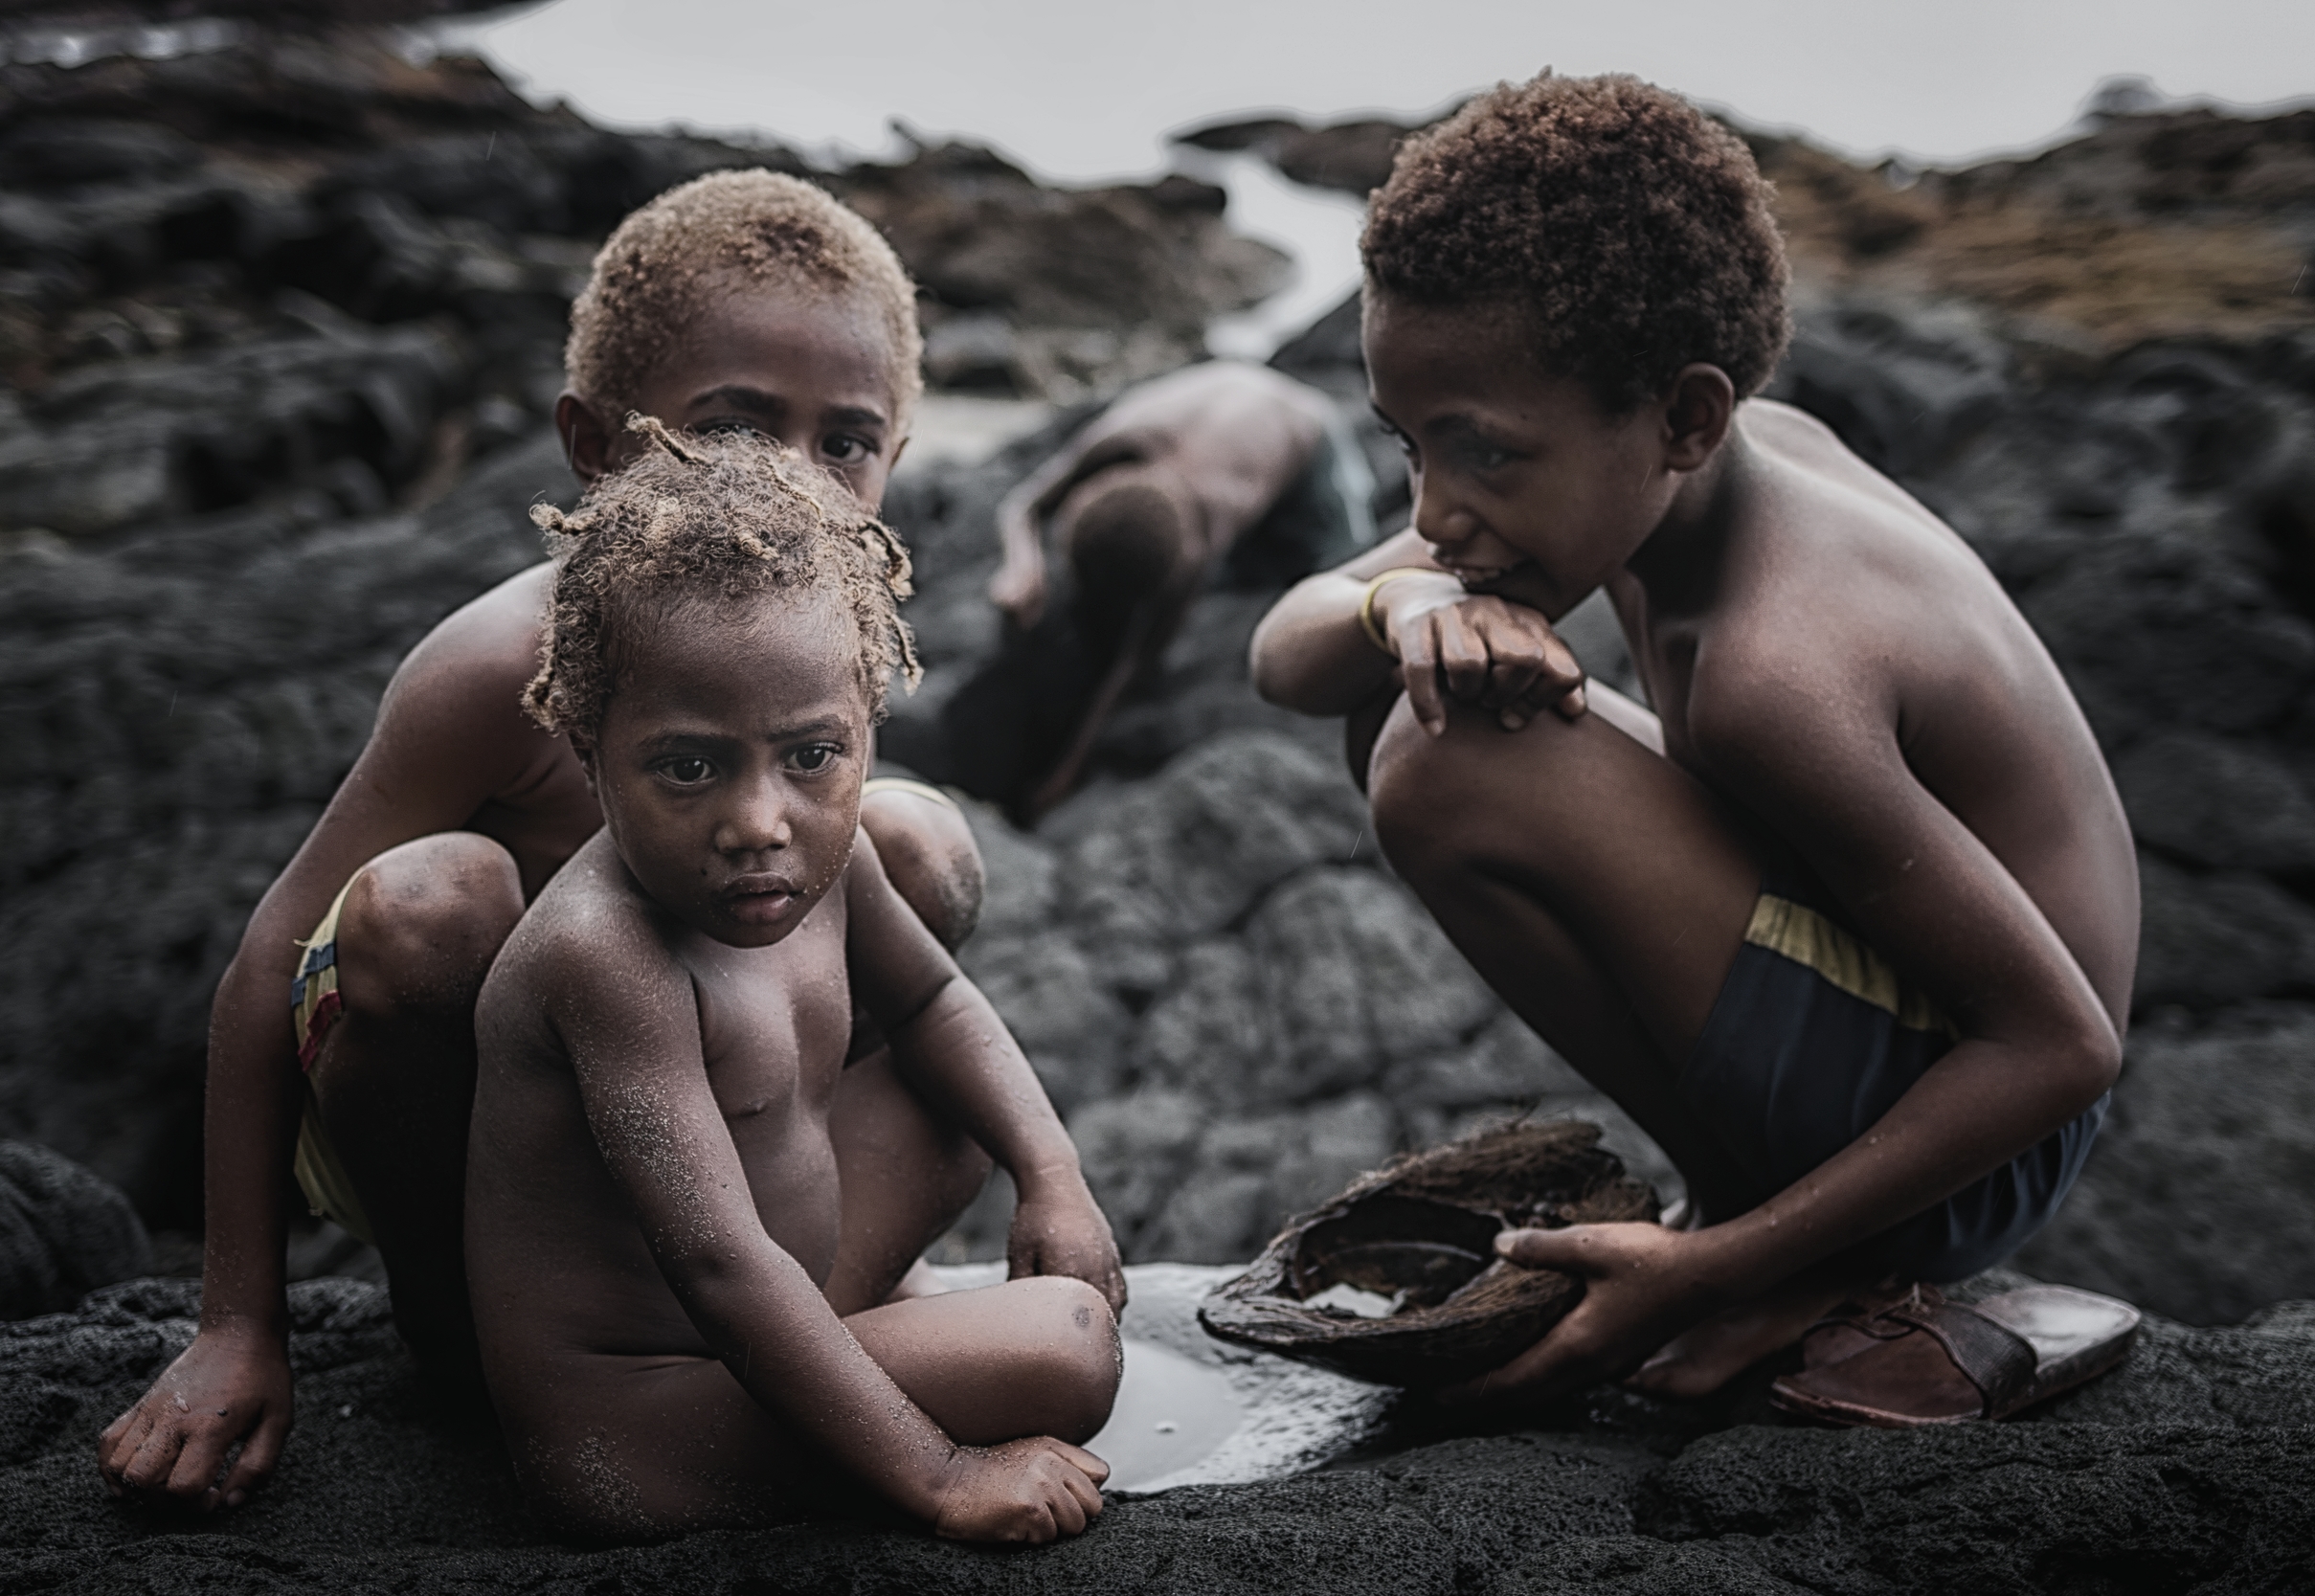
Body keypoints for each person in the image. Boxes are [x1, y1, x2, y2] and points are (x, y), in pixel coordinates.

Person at [98, 170, 997, 1510]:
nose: (791, 485)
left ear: (896, 460)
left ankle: (788, 1306)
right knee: (426, 901)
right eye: (731, 428)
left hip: (707, 1169)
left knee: (914, 846)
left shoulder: (832, 646)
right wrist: (239, 1322)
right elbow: (267, 967)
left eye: (846, 442)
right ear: (594, 440)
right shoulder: (494, 667)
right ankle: (466, 1330)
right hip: (497, 1152)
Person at [1247, 75, 2138, 1421]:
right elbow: (1287, 652)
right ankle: (1771, 1218)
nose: (1436, 505)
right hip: (1916, 1045)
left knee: (1452, 759)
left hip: (1982, 1128)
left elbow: (2063, 1044)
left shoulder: (1773, 673)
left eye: (1483, 452)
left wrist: (1711, 1265)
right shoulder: (1707, 466)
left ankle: (1802, 1253)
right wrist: (1404, 598)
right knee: (1407, 680)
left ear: (1682, 416)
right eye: (1407, 444)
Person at [469, 423, 1122, 1542]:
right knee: (1065, 1339)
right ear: (586, 744)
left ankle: (860, 1341)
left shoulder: (828, 855)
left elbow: (937, 1004)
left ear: (867, 721)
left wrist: (1052, 1173)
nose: (758, 822)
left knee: (959, 1102)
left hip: (774, 1311)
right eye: (688, 766)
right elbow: (717, 1263)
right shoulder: (604, 955)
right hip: (636, 1427)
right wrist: (939, 1471)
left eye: (812, 755)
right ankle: (864, 1398)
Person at [979, 358, 1377, 817]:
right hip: (1220, 382)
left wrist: (1066, 772)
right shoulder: (1120, 438)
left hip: (1308, 426)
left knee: (1340, 576)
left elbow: (1133, 669)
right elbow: (1022, 505)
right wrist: (1022, 566)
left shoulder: (1211, 526)